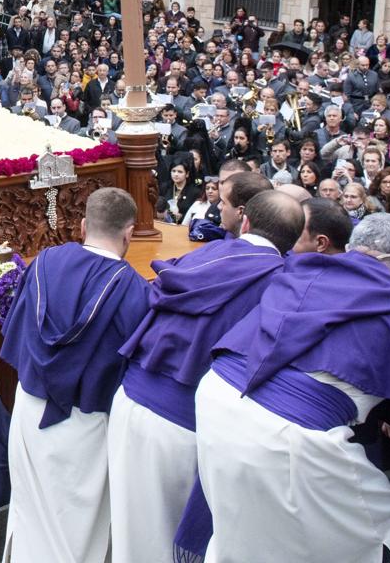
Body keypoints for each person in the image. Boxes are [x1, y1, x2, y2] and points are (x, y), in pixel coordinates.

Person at [193, 215, 390, 563]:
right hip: (289, 430)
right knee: (382, 523)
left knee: (248, 525)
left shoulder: (299, 270)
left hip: (217, 398)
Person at [109, 177, 303, 563]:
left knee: (134, 537)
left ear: (244, 223)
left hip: (129, 402)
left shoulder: (203, 254)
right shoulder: (283, 283)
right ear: (293, 242)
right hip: (186, 422)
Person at [0, 188, 149, 562]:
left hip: (29, 405)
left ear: (83, 224)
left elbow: (15, 331)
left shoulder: (44, 261)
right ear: (129, 233)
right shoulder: (133, 288)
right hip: (86, 420)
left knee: (29, 508)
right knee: (77, 526)